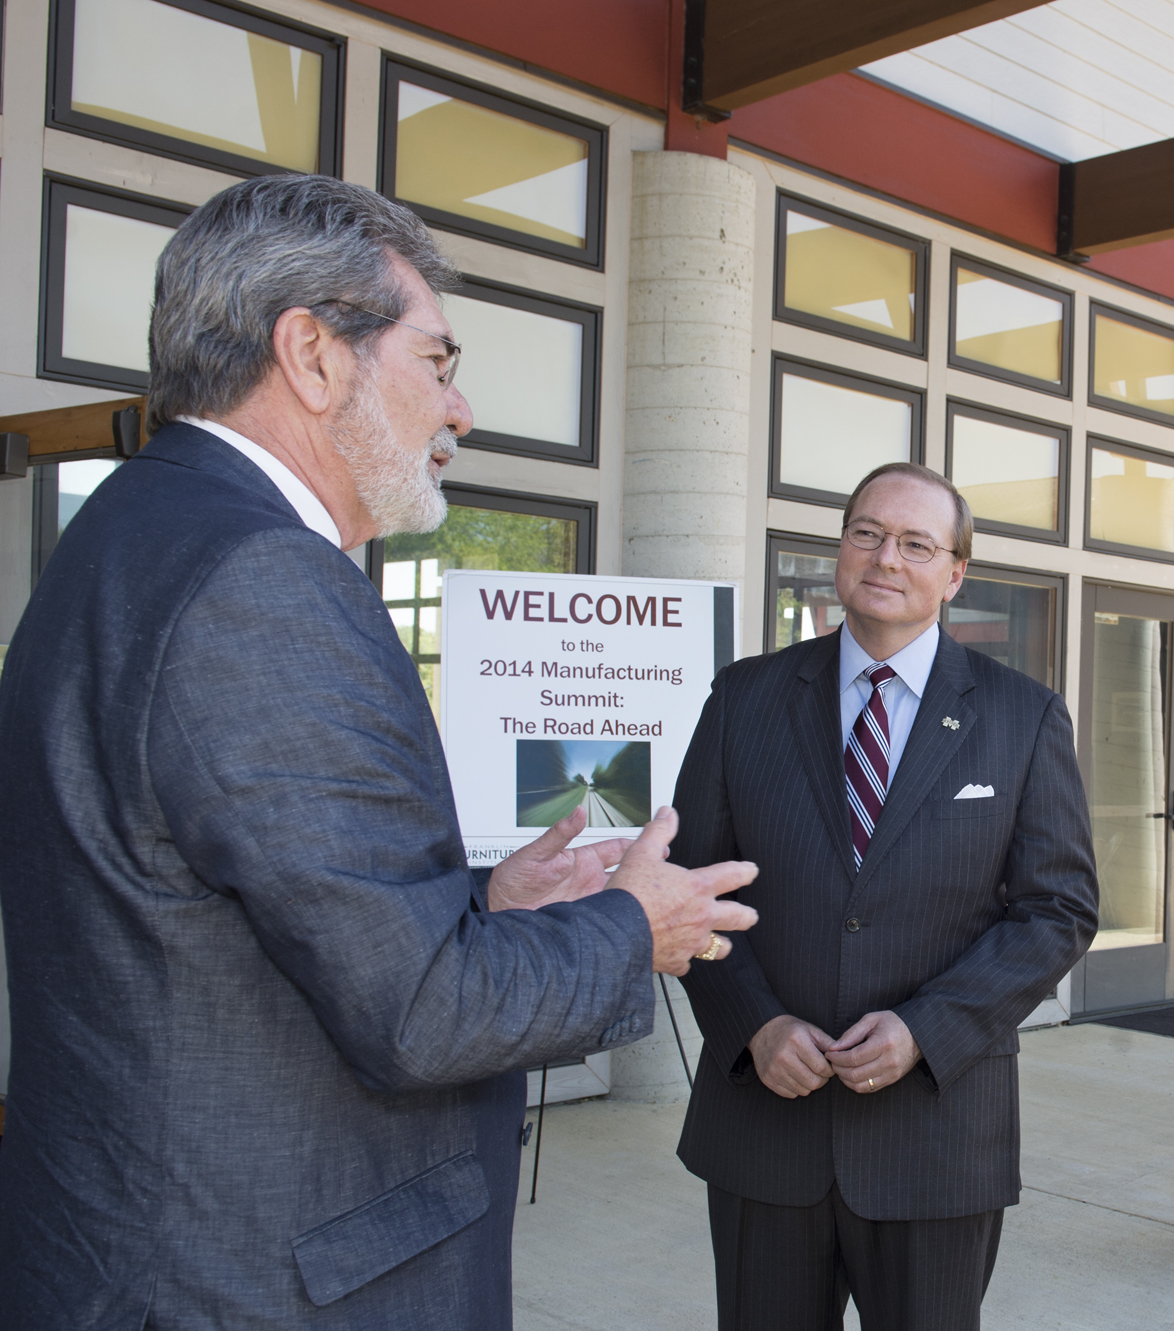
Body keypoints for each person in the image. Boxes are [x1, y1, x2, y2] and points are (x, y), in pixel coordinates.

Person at [0, 175, 758, 1328]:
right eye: (438, 361)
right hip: (247, 1274)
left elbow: (216, 904)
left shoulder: (129, 532)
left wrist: (483, 901)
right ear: (311, 353)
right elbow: (420, 1013)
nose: (460, 410)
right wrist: (629, 925)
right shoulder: (262, 581)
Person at [671, 461, 1098, 1330]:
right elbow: (687, 889)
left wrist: (924, 1028)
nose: (886, 557)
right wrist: (753, 1022)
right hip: (766, 1126)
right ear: (840, 549)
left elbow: (1057, 909)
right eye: (867, 532)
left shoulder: (1023, 716)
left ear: (955, 572)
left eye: (916, 542)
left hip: (935, 1137)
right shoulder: (745, 697)